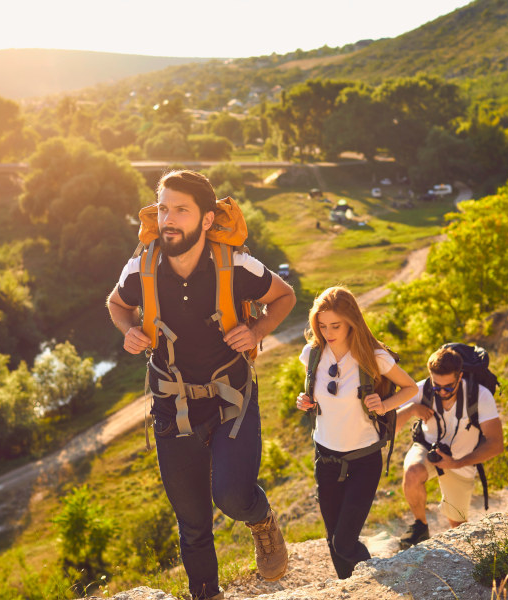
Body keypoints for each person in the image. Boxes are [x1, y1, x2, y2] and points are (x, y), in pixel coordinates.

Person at [106, 170, 296, 600]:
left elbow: (284, 296)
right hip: (173, 407)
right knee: (193, 524)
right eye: (164, 208)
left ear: (207, 220)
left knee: (231, 496)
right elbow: (117, 304)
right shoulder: (143, 266)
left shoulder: (234, 264)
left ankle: (261, 520)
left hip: (232, 399)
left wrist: (258, 329)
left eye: (181, 210)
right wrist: (128, 330)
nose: (168, 219)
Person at [294, 286, 417, 578]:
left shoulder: (373, 356)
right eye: (321, 326)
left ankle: (379, 581)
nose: (327, 332)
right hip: (325, 458)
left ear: (351, 321)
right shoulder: (312, 354)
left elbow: (411, 388)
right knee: (333, 537)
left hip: (364, 460)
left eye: (335, 325)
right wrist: (305, 401)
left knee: (344, 541)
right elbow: (316, 395)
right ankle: (350, 588)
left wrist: (385, 404)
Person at [394, 346, 504, 549]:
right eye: (437, 387)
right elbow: (388, 427)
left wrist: (457, 463)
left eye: (448, 387)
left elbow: (496, 444)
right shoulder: (421, 389)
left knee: (458, 526)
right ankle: (421, 526)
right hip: (427, 448)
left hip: (462, 459)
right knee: (412, 472)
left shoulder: (480, 395)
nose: (442, 392)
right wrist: (410, 409)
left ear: (460, 376)